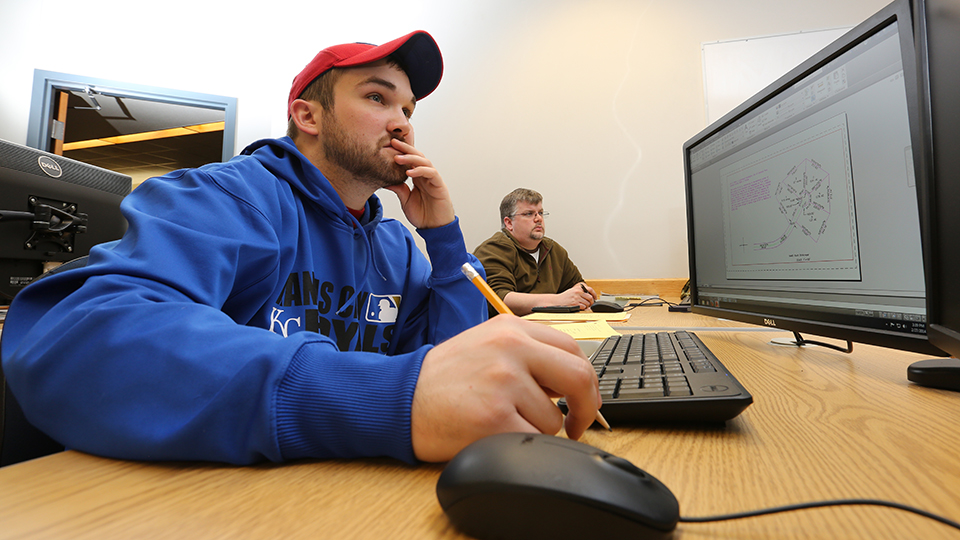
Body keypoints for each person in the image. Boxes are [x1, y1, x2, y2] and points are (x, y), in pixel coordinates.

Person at [0, 31, 601, 465]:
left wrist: (443, 241)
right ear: (306, 115)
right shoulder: (231, 196)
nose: (401, 123)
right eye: (376, 97)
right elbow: (82, 339)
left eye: (407, 109)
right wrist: (386, 397)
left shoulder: (395, 243)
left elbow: (454, 372)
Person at [473, 188, 596, 317]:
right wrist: (559, 301)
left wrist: (581, 294)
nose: (538, 219)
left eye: (540, 213)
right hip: (507, 331)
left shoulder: (553, 249)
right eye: (529, 214)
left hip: (549, 326)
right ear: (509, 223)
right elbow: (499, 299)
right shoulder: (494, 249)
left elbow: (576, 283)